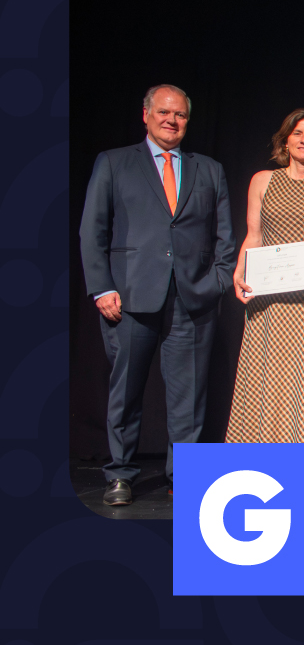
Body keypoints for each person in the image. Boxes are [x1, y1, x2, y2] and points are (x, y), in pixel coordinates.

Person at [79, 84, 234, 505]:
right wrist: (102, 288)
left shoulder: (209, 169)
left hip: (193, 300)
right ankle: (120, 475)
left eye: (180, 114)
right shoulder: (114, 162)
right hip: (128, 299)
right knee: (126, 393)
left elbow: (225, 236)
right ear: (145, 115)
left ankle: (183, 477)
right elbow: (93, 231)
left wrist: (218, 281)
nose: (172, 120)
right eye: (164, 112)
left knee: (189, 399)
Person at [225, 109, 304, 443]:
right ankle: (262, 461)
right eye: (297, 133)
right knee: (267, 382)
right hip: (269, 303)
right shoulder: (262, 180)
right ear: (285, 141)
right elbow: (254, 236)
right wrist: (240, 271)